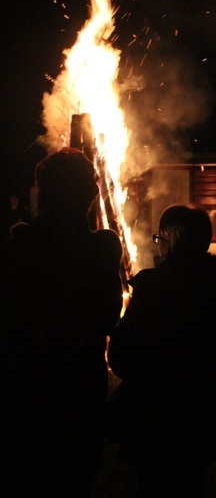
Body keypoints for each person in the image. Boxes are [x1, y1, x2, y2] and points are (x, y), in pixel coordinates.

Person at [0, 148, 123, 497]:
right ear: (90, 195)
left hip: (23, 397)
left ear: (43, 192)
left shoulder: (14, 254)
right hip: (78, 396)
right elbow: (110, 318)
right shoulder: (100, 251)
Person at [107, 204, 216, 498]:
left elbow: (121, 356)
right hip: (202, 411)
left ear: (169, 240)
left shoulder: (154, 287)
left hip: (156, 419)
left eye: (159, 238)